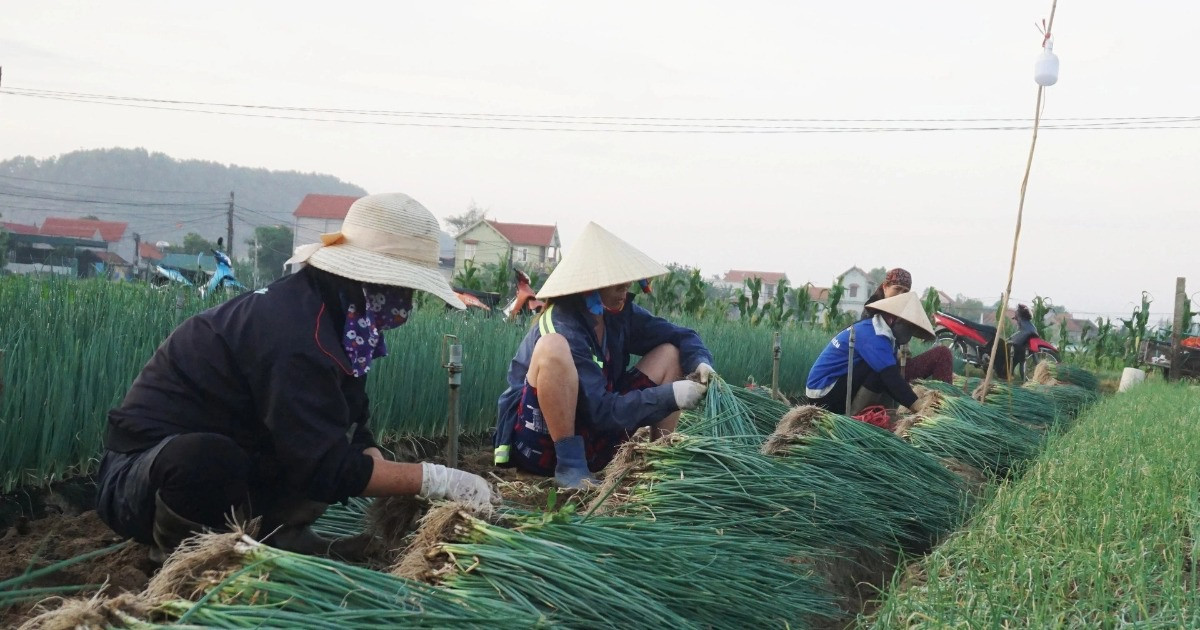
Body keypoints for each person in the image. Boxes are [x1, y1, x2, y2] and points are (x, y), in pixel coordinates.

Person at [97, 193, 496, 563]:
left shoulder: (342, 325)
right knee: (207, 461)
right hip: (139, 479)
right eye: (402, 288)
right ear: (371, 280)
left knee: (315, 447)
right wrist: (432, 479)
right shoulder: (294, 332)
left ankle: (276, 537)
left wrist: (370, 451)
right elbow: (323, 468)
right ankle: (184, 561)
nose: (406, 302)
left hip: (237, 462)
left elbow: (352, 418)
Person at [493, 222, 714, 489]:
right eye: (617, 286)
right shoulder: (562, 325)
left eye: (626, 284)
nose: (625, 291)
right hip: (541, 444)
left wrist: (700, 362)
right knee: (553, 347)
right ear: (591, 287)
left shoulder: (617, 313)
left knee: (671, 352)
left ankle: (660, 461)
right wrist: (672, 395)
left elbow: (680, 335)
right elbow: (600, 410)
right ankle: (571, 467)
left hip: (596, 440)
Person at [805, 292, 937, 415]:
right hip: (823, 394)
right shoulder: (873, 334)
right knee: (882, 372)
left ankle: (884, 414)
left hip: (834, 386)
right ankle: (853, 418)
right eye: (907, 326)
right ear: (892, 318)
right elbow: (891, 378)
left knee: (886, 368)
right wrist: (919, 407)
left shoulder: (880, 332)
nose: (909, 332)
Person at [859, 267, 953, 385]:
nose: (900, 294)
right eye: (897, 289)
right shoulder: (872, 313)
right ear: (885, 287)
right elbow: (872, 350)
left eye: (905, 291)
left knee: (942, 354)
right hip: (878, 373)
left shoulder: (904, 314)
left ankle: (943, 400)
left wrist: (904, 352)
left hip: (898, 369)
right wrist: (894, 353)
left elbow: (902, 342)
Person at [1007, 304, 1039, 376]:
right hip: (1021, 339)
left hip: (1022, 339)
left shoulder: (1024, 325)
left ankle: (1010, 372)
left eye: (1016, 318)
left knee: (1015, 351)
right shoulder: (1024, 326)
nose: (1016, 321)